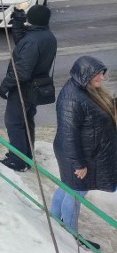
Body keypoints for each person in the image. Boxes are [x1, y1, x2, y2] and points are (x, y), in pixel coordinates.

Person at [50, 56, 116, 240]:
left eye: (102, 74)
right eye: (98, 75)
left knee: (66, 188)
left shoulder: (84, 89)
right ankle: (72, 238)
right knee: (75, 194)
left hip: (82, 153)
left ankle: (55, 222)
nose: (102, 78)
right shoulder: (72, 99)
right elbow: (68, 134)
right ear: (86, 75)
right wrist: (78, 164)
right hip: (78, 157)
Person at [0, 5, 58, 171]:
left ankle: (17, 160)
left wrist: (5, 85)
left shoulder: (33, 40)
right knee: (26, 120)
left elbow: (22, 71)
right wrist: (18, 21)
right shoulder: (46, 36)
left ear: (31, 19)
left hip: (23, 88)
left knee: (14, 122)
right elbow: (23, 43)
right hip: (36, 87)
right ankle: (26, 156)